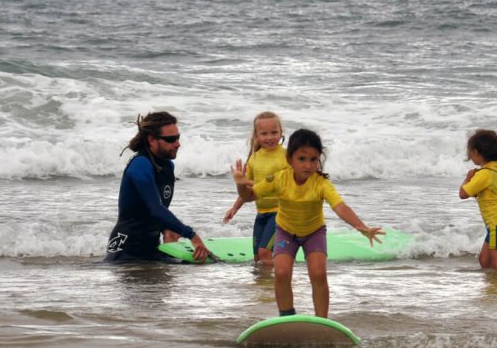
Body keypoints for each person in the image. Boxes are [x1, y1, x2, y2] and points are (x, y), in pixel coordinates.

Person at [231, 127, 383, 318]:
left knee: (318, 273)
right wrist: (240, 183)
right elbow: (249, 196)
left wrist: (361, 227)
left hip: (314, 233)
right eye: (302, 159)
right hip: (286, 232)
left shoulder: (321, 183)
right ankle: (287, 317)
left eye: (313, 159)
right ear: (290, 160)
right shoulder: (280, 178)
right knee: (282, 272)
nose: (308, 165)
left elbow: (340, 206)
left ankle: (322, 321)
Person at [105, 111, 209, 263]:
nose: (177, 144)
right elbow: (155, 209)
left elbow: (155, 212)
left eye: (178, 137)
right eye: (171, 139)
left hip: (151, 249)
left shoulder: (168, 167)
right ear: (152, 139)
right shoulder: (140, 166)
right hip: (124, 250)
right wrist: (191, 235)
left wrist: (167, 229)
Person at [223, 111, 288, 265]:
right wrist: (235, 208)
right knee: (257, 257)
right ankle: (262, 286)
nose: (270, 137)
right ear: (256, 136)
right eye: (264, 133)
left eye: (274, 132)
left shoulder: (287, 156)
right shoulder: (254, 158)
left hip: (281, 212)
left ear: (281, 133)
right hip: (261, 214)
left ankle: (271, 286)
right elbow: (248, 189)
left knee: (265, 252)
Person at [459, 129, 497, 272]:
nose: (470, 157)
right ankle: (493, 288)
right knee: (484, 260)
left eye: (470, 154)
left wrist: (468, 178)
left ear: (477, 152)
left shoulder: (484, 174)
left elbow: (463, 193)